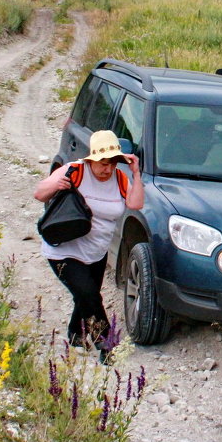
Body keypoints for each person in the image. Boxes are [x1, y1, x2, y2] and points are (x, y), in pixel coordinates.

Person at [34, 129, 143, 360]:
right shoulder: (75, 171)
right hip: (64, 249)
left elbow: (135, 203)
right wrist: (57, 186)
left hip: (96, 251)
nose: (107, 169)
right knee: (90, 296)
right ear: (92, 159)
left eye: (113, 163)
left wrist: (135, 173)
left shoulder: (120, 179)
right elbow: (39, 193)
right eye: (103, 163)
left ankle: (75, 335)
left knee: (85, 295)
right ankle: (107, 345)